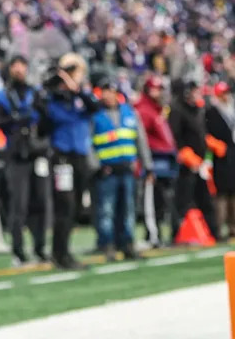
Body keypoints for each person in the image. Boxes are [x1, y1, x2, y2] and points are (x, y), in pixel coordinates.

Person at [38, 53, 99, 270]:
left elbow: (95, 107)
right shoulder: (51, 100)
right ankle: (59, 252)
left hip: (80, 156)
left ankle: (64, 251)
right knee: (64, 204)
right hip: (62, 156)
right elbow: (43, 124)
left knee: (74, 207)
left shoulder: (82, 98)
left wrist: (77, 89)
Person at [0, 55, 48, 265]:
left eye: (23, 65)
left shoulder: (35, 93)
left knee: (39, 202)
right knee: (18, 205)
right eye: (15, 66)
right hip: (14, 155)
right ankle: (18, 250)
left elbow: (47, 119)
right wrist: (15, 120)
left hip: (36, 153)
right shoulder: (2, 97)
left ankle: (40, 247)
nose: (19, 70)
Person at [91, 78, 152, 261]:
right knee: (106, 210)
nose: (108, 95)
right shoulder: (95, 115)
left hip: (127, 169)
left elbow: (140, 140)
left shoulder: (129, 113)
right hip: (107, 170)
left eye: (111, 90)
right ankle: (107, 244)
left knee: (128, 209)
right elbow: (89, 143)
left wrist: (147, 164)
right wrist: (96, 166)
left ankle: (127, 243)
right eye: (105, 91)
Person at [171, 79, 219, 241]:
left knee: (205, 199)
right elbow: (175, 135)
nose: (197, 94)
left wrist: (208, 146)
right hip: (186, 165)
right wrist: (184, 153)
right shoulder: (177, 110)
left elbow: (201, 133)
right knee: (183, 201)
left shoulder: (198, 109)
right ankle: (176, 234)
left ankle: (214, 232)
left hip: (200, 163)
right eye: (193, 91)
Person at [134, 75, 177, 247]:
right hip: (152, 161)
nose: (158, 93)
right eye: (155, 89)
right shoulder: (144, 110)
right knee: (150, 200)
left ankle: (156, 233)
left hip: (163, 162)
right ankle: (151, 235)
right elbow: (142, 140)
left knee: (160, 201)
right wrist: (147, 164)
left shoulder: (157, 109)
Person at [206, 82, 235, 240]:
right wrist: (216, 146)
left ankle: (233, 226)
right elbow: (208, 134)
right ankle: (220, 228)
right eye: (223, 93)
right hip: (222, 157)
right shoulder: (212, 112)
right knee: (222, 192)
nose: (226, 96)